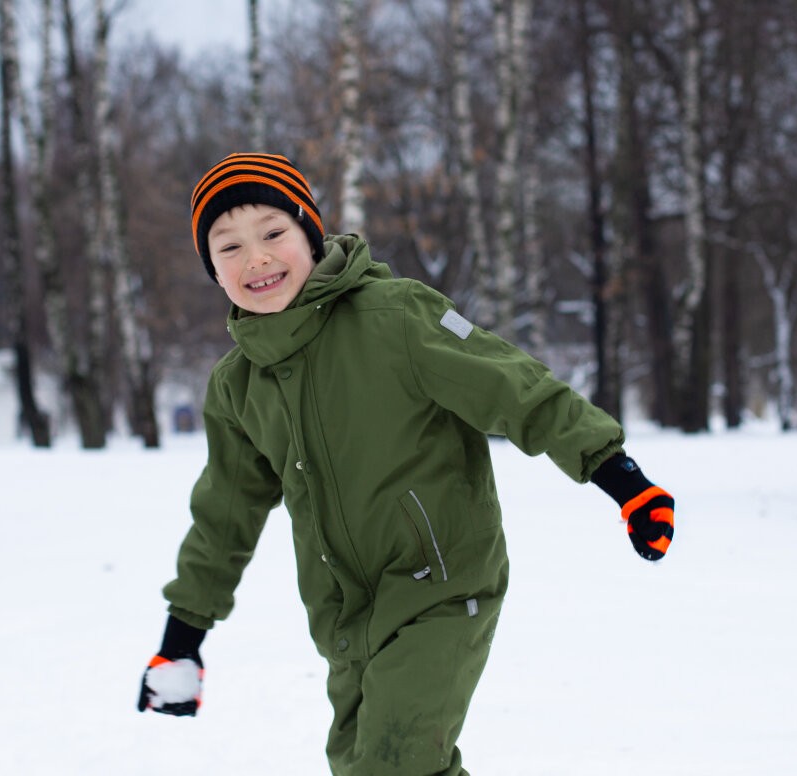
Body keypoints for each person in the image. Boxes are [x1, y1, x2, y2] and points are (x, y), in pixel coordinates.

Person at [137, 152, 675, 775]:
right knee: (372, 766)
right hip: (345, 619)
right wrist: (183, 636)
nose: (255, 258)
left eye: (273, 233)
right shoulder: (238, 385)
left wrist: (619, 476)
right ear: (213, 271)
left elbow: (514, 388)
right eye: (228, 247)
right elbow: (225, 514)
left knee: (395, 766)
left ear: (310, 234)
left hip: (441, 587)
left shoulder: (394, 317)